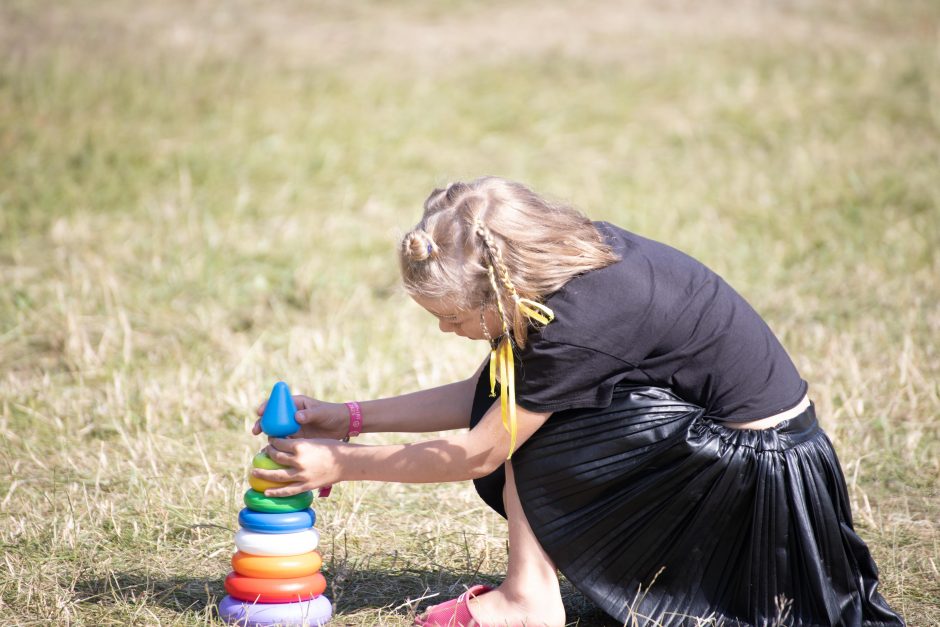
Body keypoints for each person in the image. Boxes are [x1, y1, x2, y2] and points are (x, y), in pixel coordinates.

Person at [251, 177, 904, 626]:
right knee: (524, 401)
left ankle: (526, 600)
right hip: (751, 456)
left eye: (451, 316)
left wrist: (341, 464)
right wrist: (349, 417)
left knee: (538, 428)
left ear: (502, 288)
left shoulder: (582, 321)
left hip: (763, 486)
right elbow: (491, 394)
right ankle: (532, 590)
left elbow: (479, 450)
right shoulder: (573, 269)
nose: (448, 332)